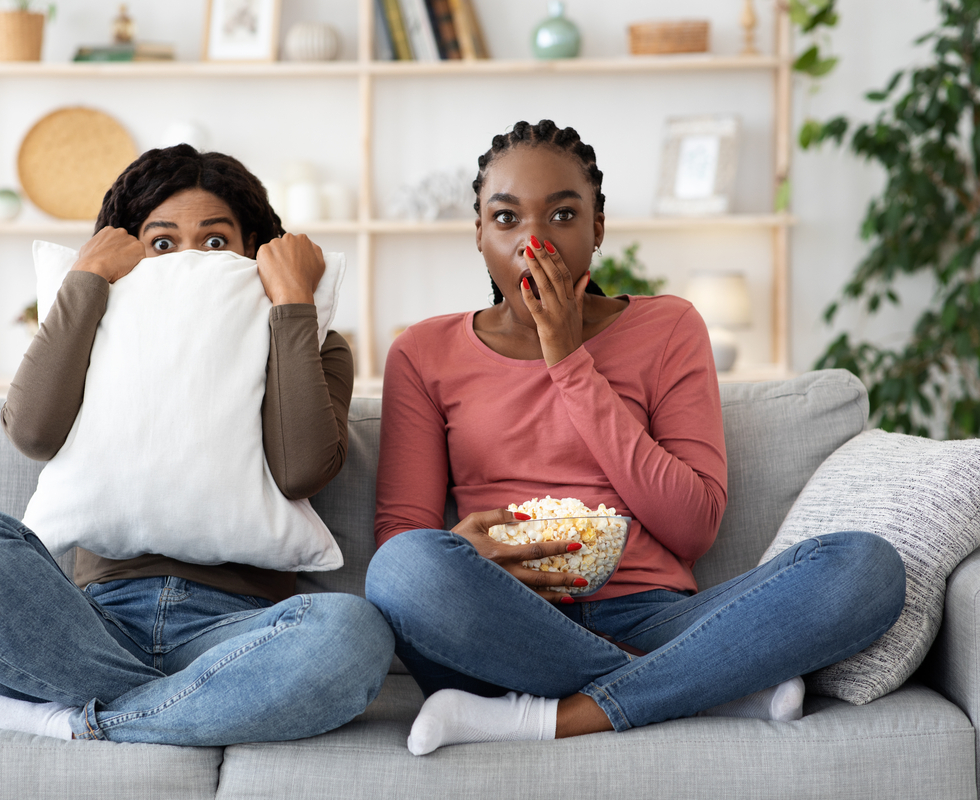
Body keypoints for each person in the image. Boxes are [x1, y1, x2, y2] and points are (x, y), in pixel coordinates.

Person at [363, 119, 906, 756]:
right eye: (506, 219)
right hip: (506, 622)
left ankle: (553, 716)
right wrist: (464, 552)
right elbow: (402, 538)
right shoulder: (424, 351)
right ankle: (713, 684)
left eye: (563, 216)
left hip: (657, 617)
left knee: (865, 568)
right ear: (479, 233)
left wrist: (568, 362)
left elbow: (692, 526)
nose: (533, 242)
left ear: (596, 228)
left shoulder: (669, 326)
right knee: (403, 572)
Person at [0, 144, 394, 746]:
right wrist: (85, 280)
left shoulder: (315, 339)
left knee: (354, 632)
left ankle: (79, 719)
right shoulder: (99, 319)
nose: (188, 262)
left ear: (254, 250)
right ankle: (182, 712)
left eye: (215, 242)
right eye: (161, 243)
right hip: (88, 626)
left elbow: (300, 471)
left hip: (238, 634)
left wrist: (291, 301)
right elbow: (32, 432)